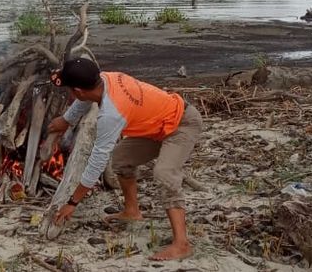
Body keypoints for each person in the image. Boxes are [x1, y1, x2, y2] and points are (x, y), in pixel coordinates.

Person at [48, 57, 202, 261]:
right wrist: (67, 120)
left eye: (68, 88)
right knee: (121, 158)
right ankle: (132, 211)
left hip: (182, 124)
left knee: (165, 173)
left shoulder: (111, 115)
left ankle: (182, 244)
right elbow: (84, 100)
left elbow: (96, 162)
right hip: (158, 126)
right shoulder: (103, 78)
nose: (70, 92)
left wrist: (73, 202)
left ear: (77, 90)